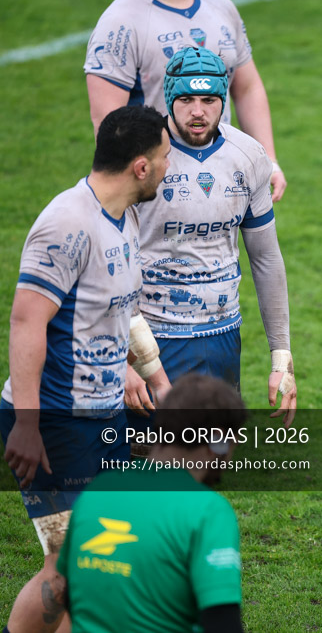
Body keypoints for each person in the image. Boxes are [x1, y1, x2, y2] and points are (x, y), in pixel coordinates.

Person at [1, 105, 172, 633]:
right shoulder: (66, 224)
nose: (169, 167)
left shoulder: (125, 216)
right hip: (55, 423)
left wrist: (149, 374)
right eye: (164, 158)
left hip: (103, 419)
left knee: (99, 562)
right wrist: (27, 423)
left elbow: (118, 308)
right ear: (140, 167)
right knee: (73, 566)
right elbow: (27, 321)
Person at [125, 46, 297, 424]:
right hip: (151, 338)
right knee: (150, 466)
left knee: (210, 460)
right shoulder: (138, 155)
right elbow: (104, 261)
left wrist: (281, 356)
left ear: (223, 100)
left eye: (209, 99)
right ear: (170, 98)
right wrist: (119, 357)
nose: (198, 111)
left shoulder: (249, 156)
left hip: (222, 337)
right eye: (186, 99)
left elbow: (266, 258)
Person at [55, 374, 247, 633]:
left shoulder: (97, 490)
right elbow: (222, 623)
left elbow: (67, 594)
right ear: (218, 443)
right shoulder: (208, 511)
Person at [84, 0, 288, 201]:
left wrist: (268, 161)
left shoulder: (222, 8)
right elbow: (107, 122)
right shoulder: (120, 22)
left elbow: (247, 89)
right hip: (156, 189)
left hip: (224, 180)